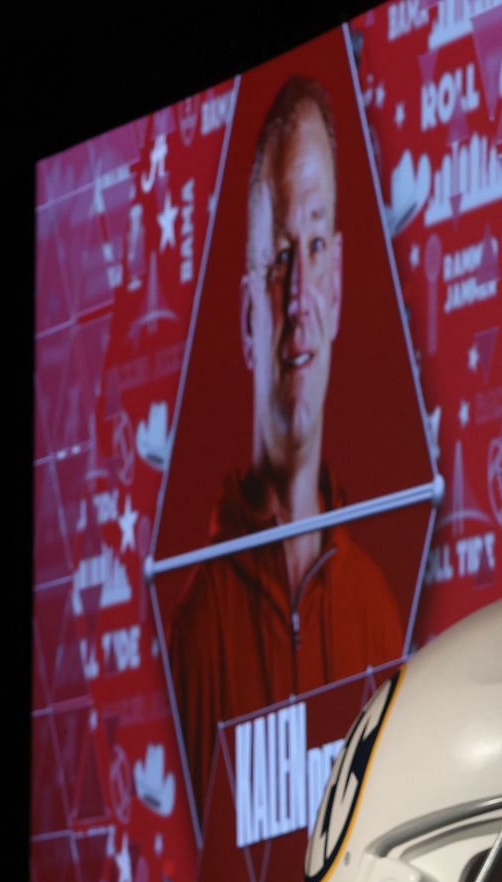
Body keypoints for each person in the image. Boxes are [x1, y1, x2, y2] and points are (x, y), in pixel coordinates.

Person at [169, 76, 404, 810]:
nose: (297, 296)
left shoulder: (376, 613)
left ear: (338, 283)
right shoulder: (194, 630)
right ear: (246, 317)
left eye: (313, 248)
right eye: (277, 260)